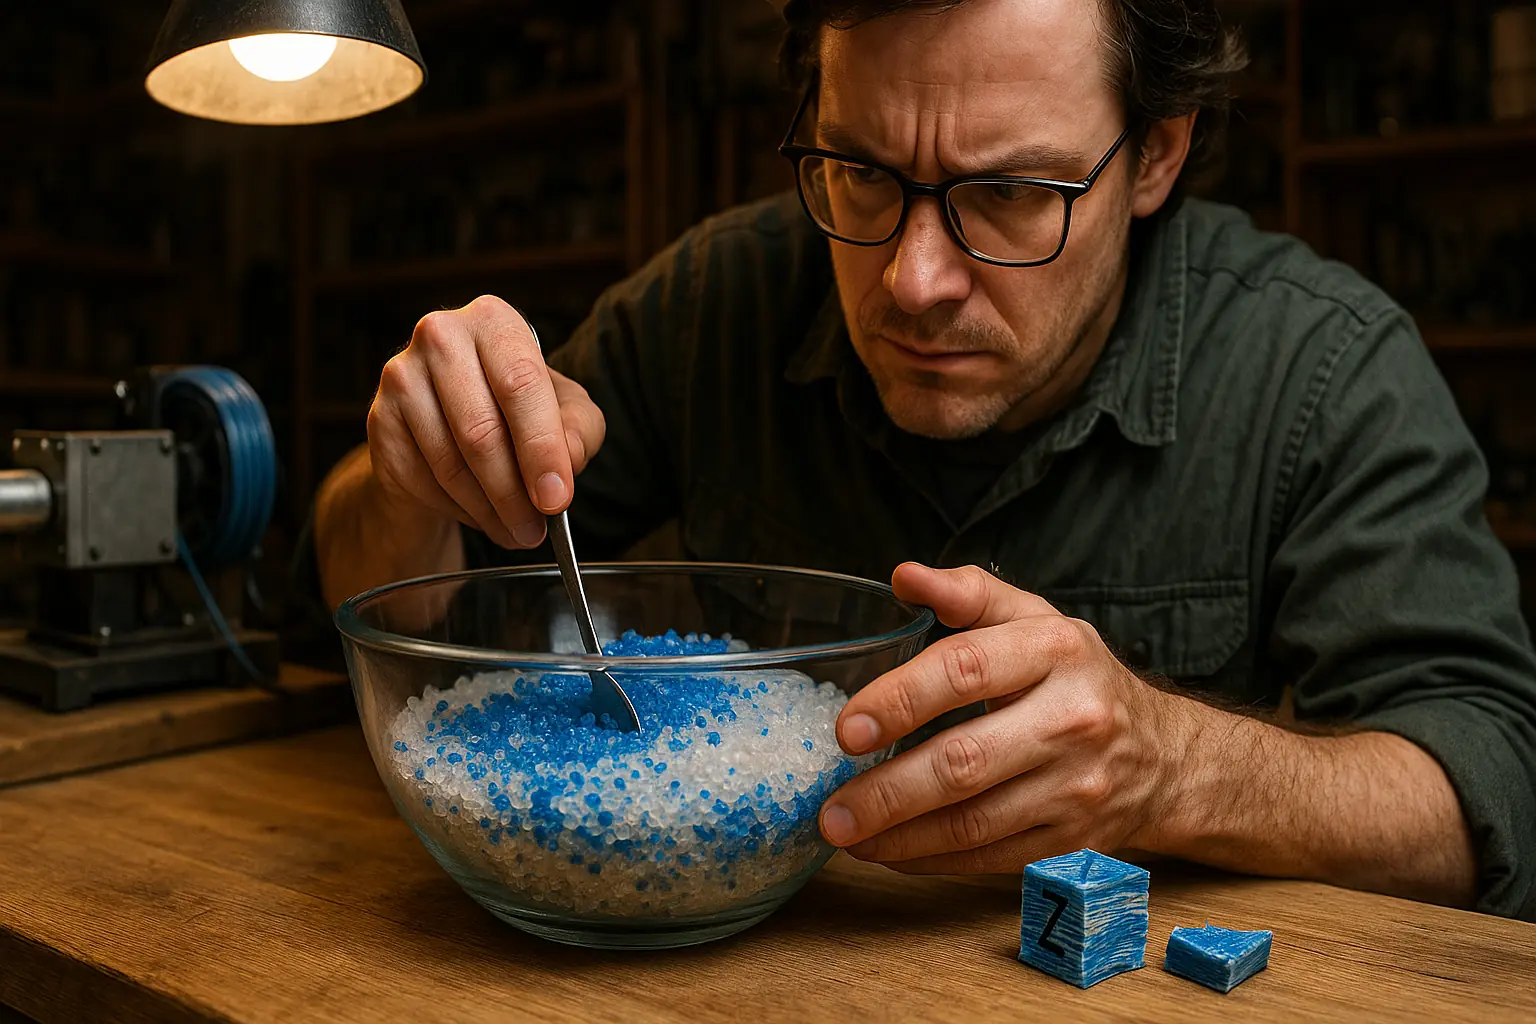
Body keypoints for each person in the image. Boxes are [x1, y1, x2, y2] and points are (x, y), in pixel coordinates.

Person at [306, 0, 1536, 920]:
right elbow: (418, 599)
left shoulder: (1322, 366)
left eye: (1005, 193)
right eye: (860, 171)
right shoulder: (715, 301)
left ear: (1156, 154)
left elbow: (1488, 789)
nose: (912, 279)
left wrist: (1174, 768)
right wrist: (407, 475)